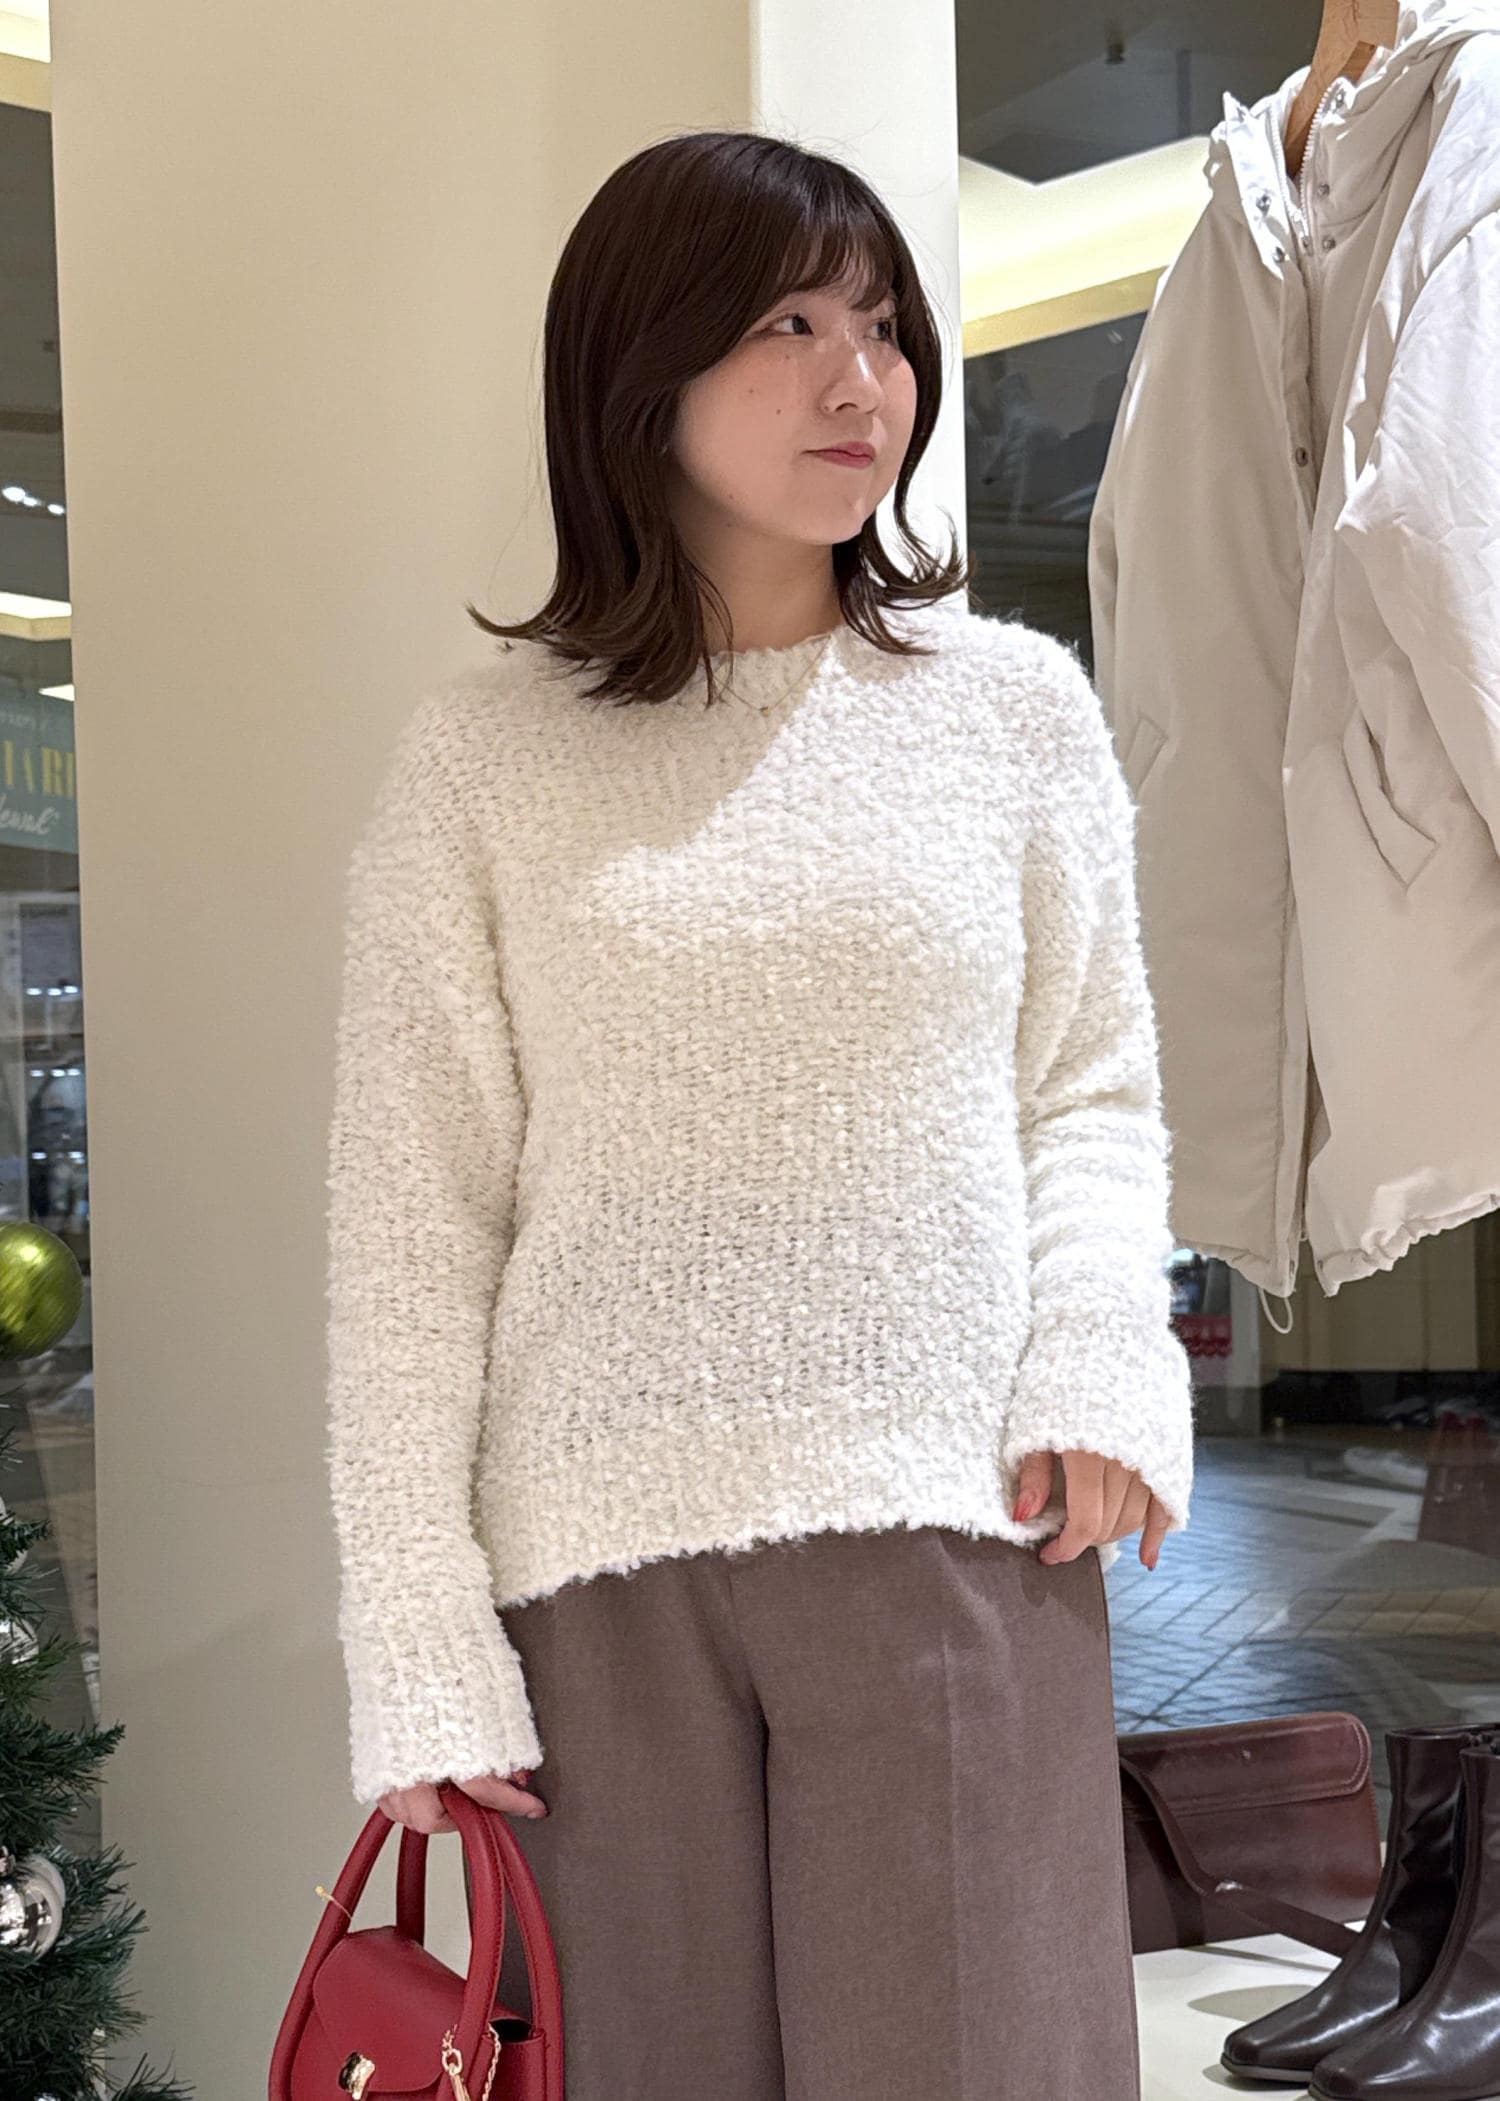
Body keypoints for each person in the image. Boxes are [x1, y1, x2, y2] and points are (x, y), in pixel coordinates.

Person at [323, 126, 1196, 2101]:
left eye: (881, 325)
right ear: (639, 369)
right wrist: (417, 1628)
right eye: (788, 324)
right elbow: (412, 1223)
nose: (857, 377)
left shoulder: (1010, 712)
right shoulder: (483, 764)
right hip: (598, 1577)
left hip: (953, 1522)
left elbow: (1090, 1087)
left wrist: (1098, 1352)